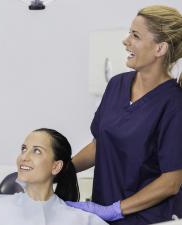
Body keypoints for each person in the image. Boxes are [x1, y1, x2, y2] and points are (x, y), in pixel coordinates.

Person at [66, 5, 182, 225]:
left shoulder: (174, 104)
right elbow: (101, 144)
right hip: (105, 218)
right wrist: (62, 171)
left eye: (135, 35)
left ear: (160, 48)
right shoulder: (117, 85)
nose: (125, 40)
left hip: (152, 220)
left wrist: (116, 209)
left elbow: (171, 182)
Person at [0, 128, 108, 225]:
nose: (24, 157)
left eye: (36, 151)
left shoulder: (82, 220)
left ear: (56, 166)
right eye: (24, 149)